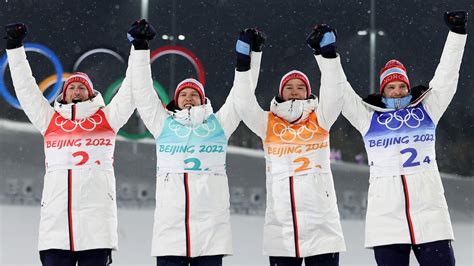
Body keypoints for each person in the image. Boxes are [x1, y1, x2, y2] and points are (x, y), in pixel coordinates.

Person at [332, 11, 467, 266]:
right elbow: (341, 92)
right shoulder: (367, 117)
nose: (398, 91)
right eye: (391, 87)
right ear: (382, 91)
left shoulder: (426, 110)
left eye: (402, 86)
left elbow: (447, 78)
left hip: (431, 217)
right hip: (386, 221)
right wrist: (328, 56)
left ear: (408, 86)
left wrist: (457, 34)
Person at [4, 22, 137, 265]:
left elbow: (130, 91)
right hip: (56, 228)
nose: (76, 90)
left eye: (81, 87)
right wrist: (14, 48)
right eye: (71, 87)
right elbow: (26, 90)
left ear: (91, 94)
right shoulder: (49, 120)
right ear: (62, 94)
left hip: (96, 228)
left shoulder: (107, 119)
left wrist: (139, 49)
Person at [127, 20, 252, 266]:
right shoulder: (163, 124)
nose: (188, 97)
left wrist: (246, 60)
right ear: (175, 100)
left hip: (210, 234)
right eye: (183, 94)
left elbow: (241, 98)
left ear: (203, 99)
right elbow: (142, 91)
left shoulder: (218, 126)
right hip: (170, 233)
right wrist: (141, 49)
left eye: (194, 93)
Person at [233, 26, 346, 266]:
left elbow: (335, 93)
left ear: (308, 92)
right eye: (289, 88)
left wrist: (328, 55)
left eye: (300, 87)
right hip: (281, 227)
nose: (295, 92)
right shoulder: (267, 123)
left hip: (321, 225)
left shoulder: (321, 118)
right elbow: (242, 103)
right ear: (281, 93)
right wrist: (247, 60)